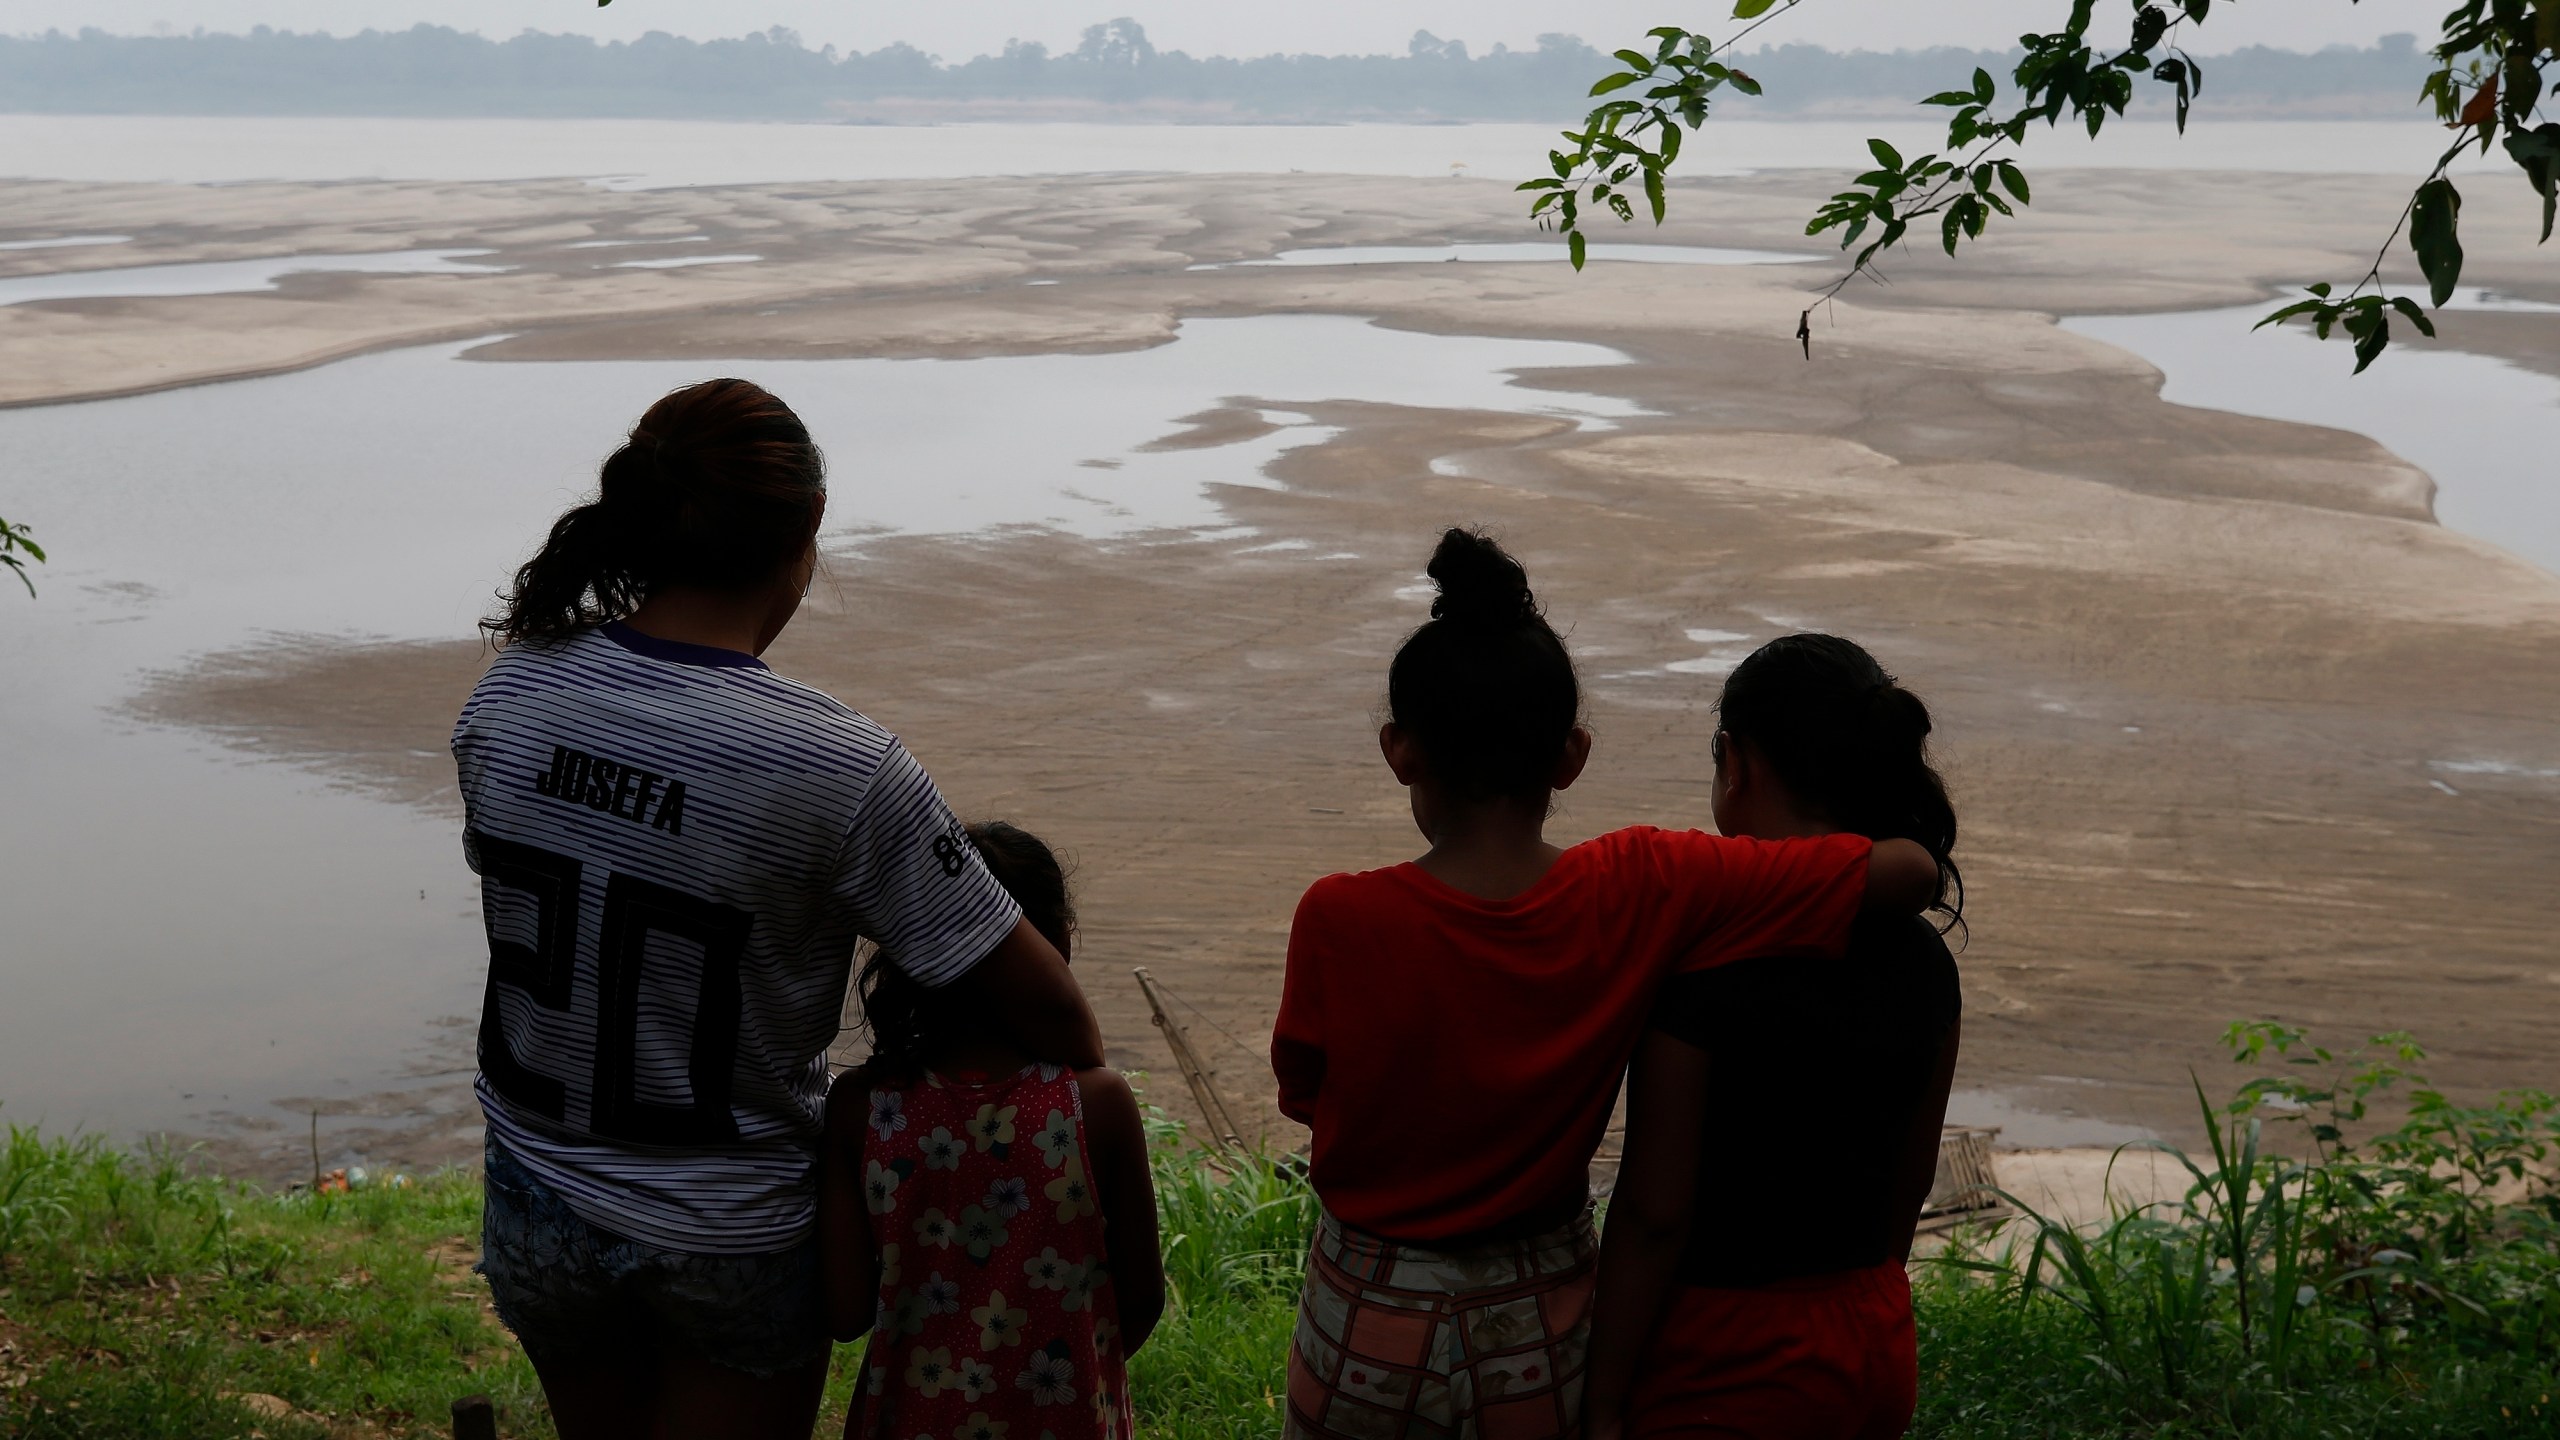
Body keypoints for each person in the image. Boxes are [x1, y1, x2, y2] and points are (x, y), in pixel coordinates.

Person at [454, 378, 1103, 1439]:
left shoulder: (510, 693)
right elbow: (1060, 1020)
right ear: (806, 530)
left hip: (537, 1201)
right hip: (729, 1233)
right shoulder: (840, 766)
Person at [1270, 530, 1944, 1440]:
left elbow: (1309, 1095)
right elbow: (1907, 871)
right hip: (1538, 1316)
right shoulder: (1644, 884)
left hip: (1369, 1311)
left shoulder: (1336, 917)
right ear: (1571, 756)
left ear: (1401, 749)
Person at [1581, 634, 1964, 1440]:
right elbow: (1912, 1175)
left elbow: (1655, 1210)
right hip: (1871, 1335)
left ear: (1734, 763)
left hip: (1723, 1357)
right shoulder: (1925, 958)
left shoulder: (1708, 964)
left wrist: (1606, 1397)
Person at [820, 820, 1165, 1440]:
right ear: (1057, 942)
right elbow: (1140, 1298)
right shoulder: (1097, 1104)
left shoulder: (859, 1107)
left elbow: (844, 1310)